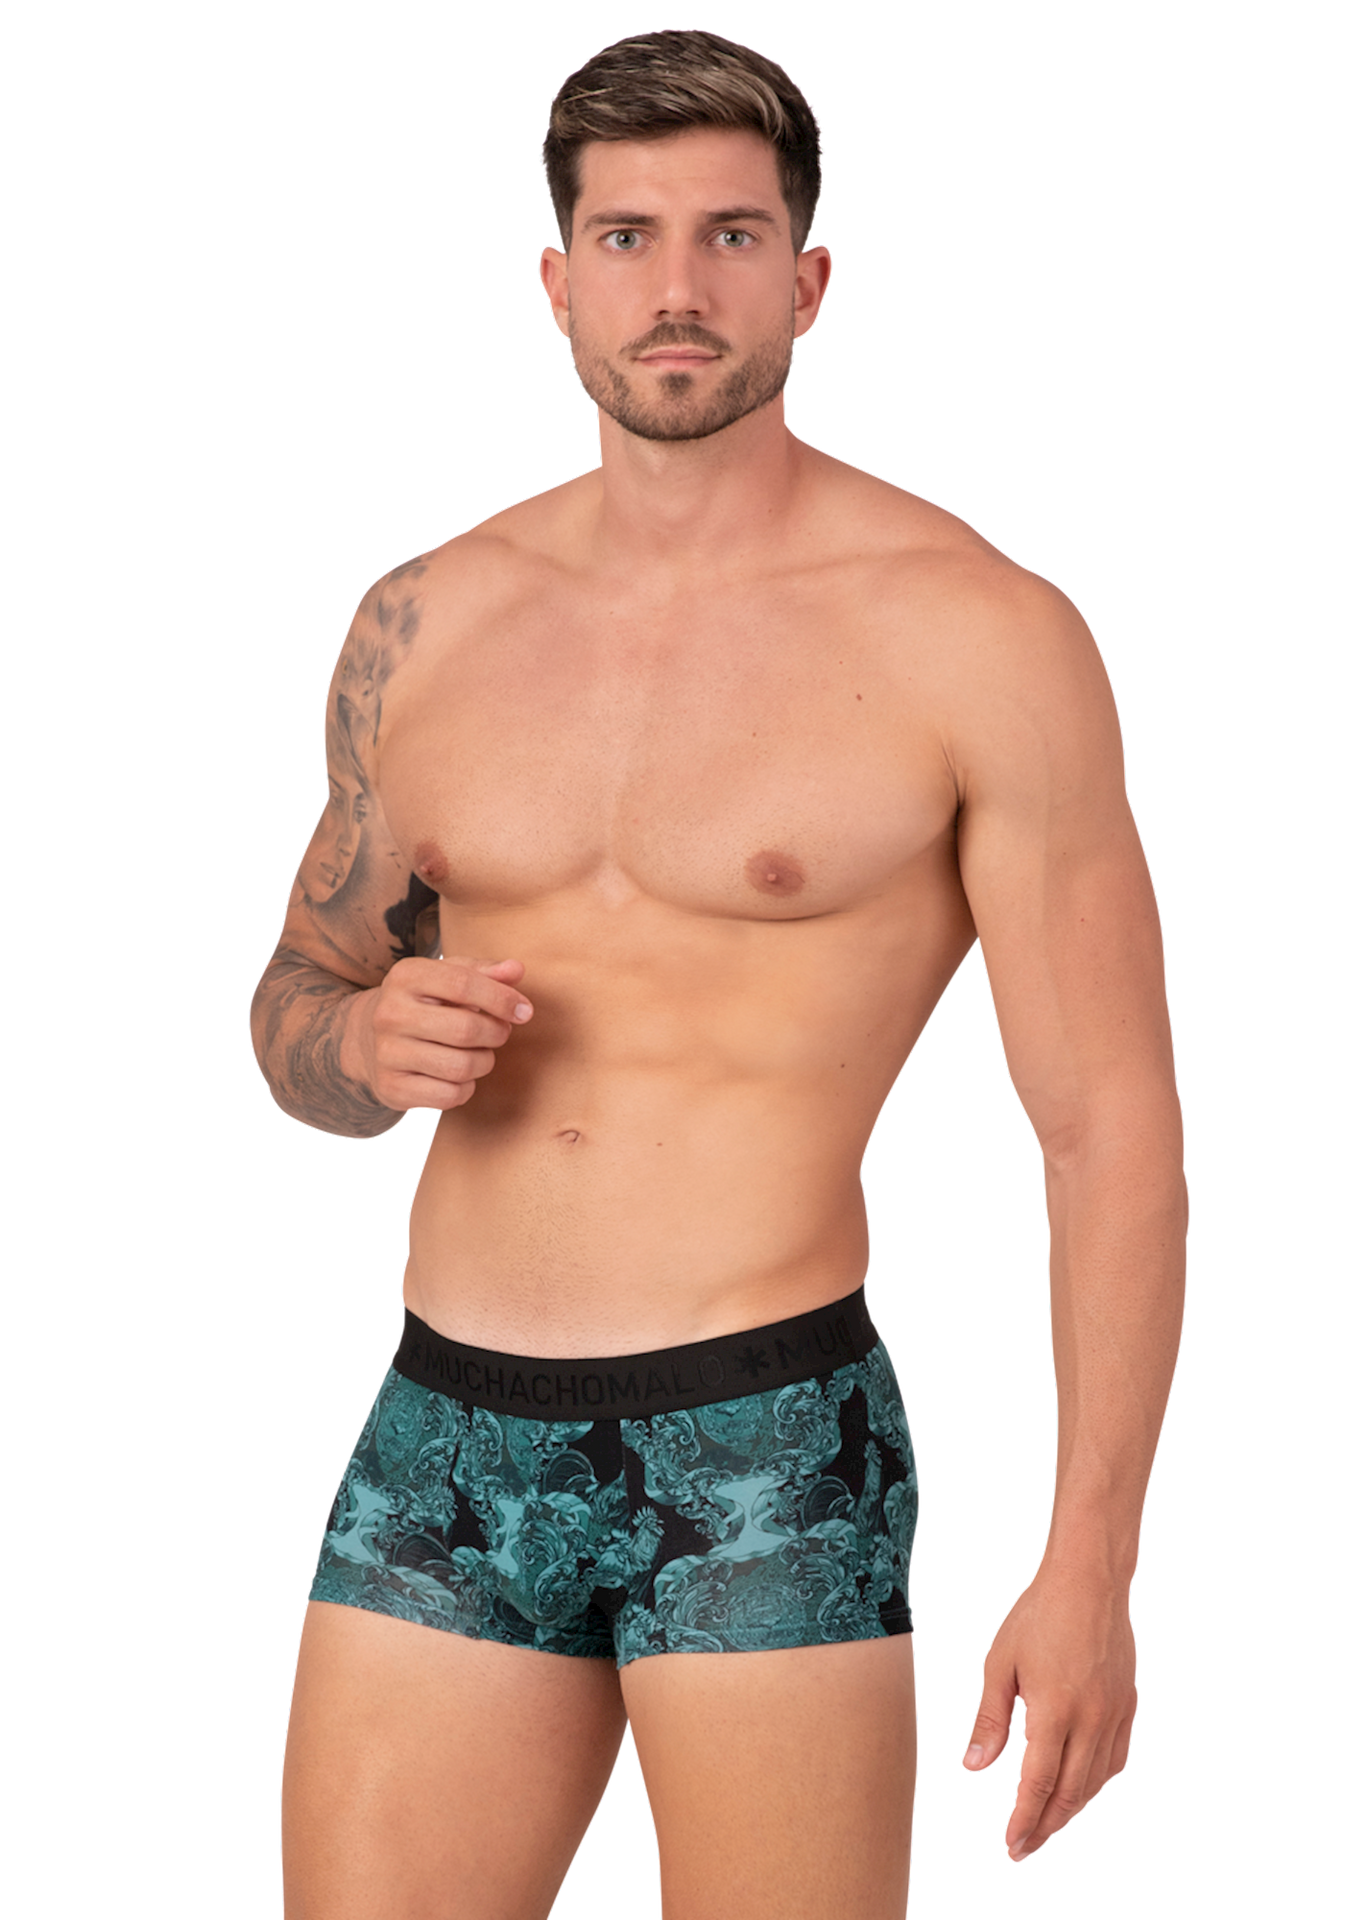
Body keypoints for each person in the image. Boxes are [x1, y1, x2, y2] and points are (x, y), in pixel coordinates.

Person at [257, 27, 1189, 1918]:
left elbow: (1109, 1127)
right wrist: (361, 1040)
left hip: (762, 1435)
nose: (675, 288)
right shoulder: (424, 617)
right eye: (627, 238)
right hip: (441, 1423)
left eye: (730, 236)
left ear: (808, 279)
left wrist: (1092, 1561)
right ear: (558, 280)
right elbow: (296, 1011)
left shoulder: (978, 633)